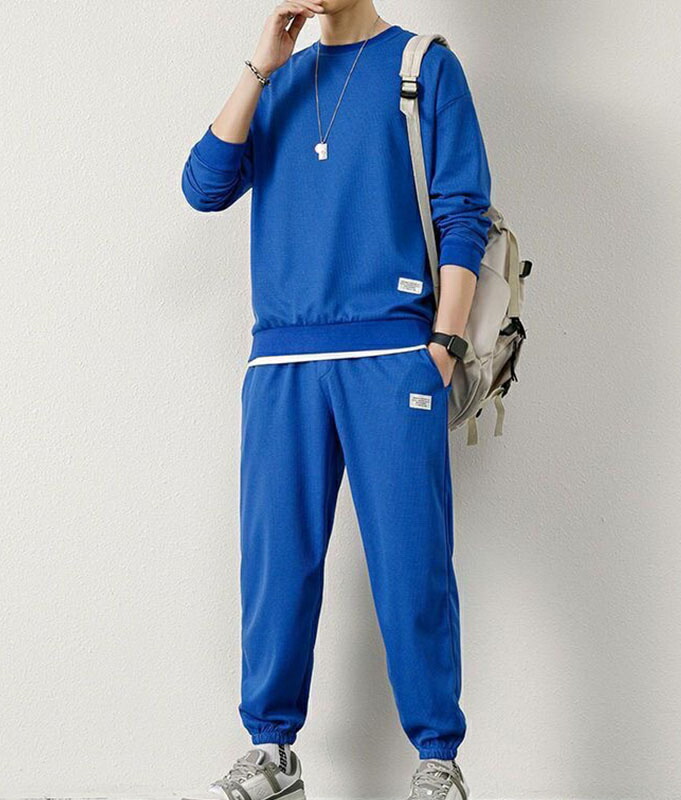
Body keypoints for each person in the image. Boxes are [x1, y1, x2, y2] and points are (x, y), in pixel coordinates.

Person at [181, 1, 491, 798]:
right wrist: (260, 65)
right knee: (276, 564)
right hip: (282, 360)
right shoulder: (278, 81)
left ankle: (437, 761)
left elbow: (463, 214)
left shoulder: (423, 66)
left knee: (412, 562)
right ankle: (272, 753)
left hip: (393, 356)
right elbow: (204, 187)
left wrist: (445, 346)